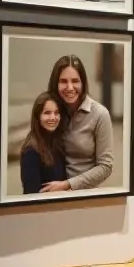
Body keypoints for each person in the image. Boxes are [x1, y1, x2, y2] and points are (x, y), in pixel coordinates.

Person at [40, 54, 113, 193]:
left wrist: (68, 184)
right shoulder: (53, 112)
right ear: (55, 83)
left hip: (84, 195)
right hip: (50, 193)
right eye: (63, 81)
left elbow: (105, 167)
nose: (70, 87)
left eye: (75, 81)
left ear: (83, 83)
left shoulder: (100, 114)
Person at [19, 92, 66, 194]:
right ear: (37, 116)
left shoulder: (56, 144)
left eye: (56, 112)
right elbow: (31, 194)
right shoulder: (31, 151)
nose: (53, 117)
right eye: (47, 113)